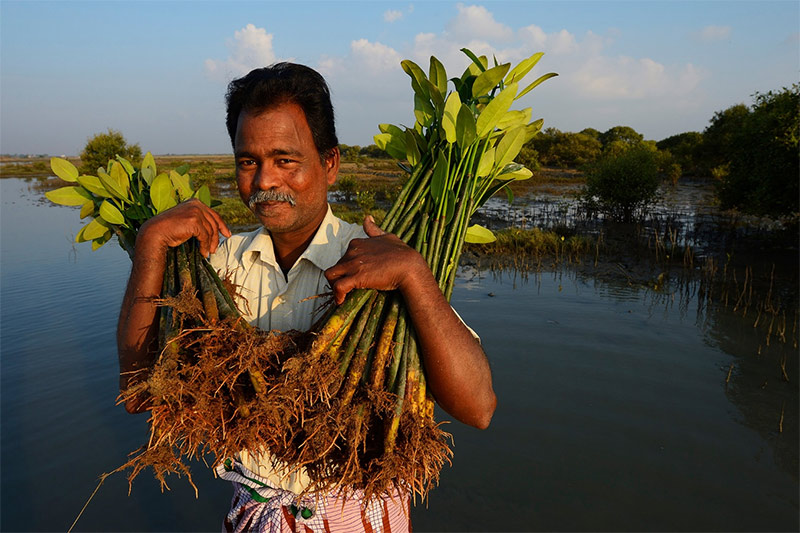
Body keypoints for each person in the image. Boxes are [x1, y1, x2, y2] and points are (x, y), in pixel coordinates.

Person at [117, 62, 496, 532]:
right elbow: (139, 392)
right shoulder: (216, 264)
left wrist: (415, 276)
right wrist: (150, 245)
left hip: (362, 515)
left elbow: (477, 408)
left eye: (285, 160)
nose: (264, 182)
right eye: (247, 161)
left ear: (330, 164)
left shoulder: (381, 261)